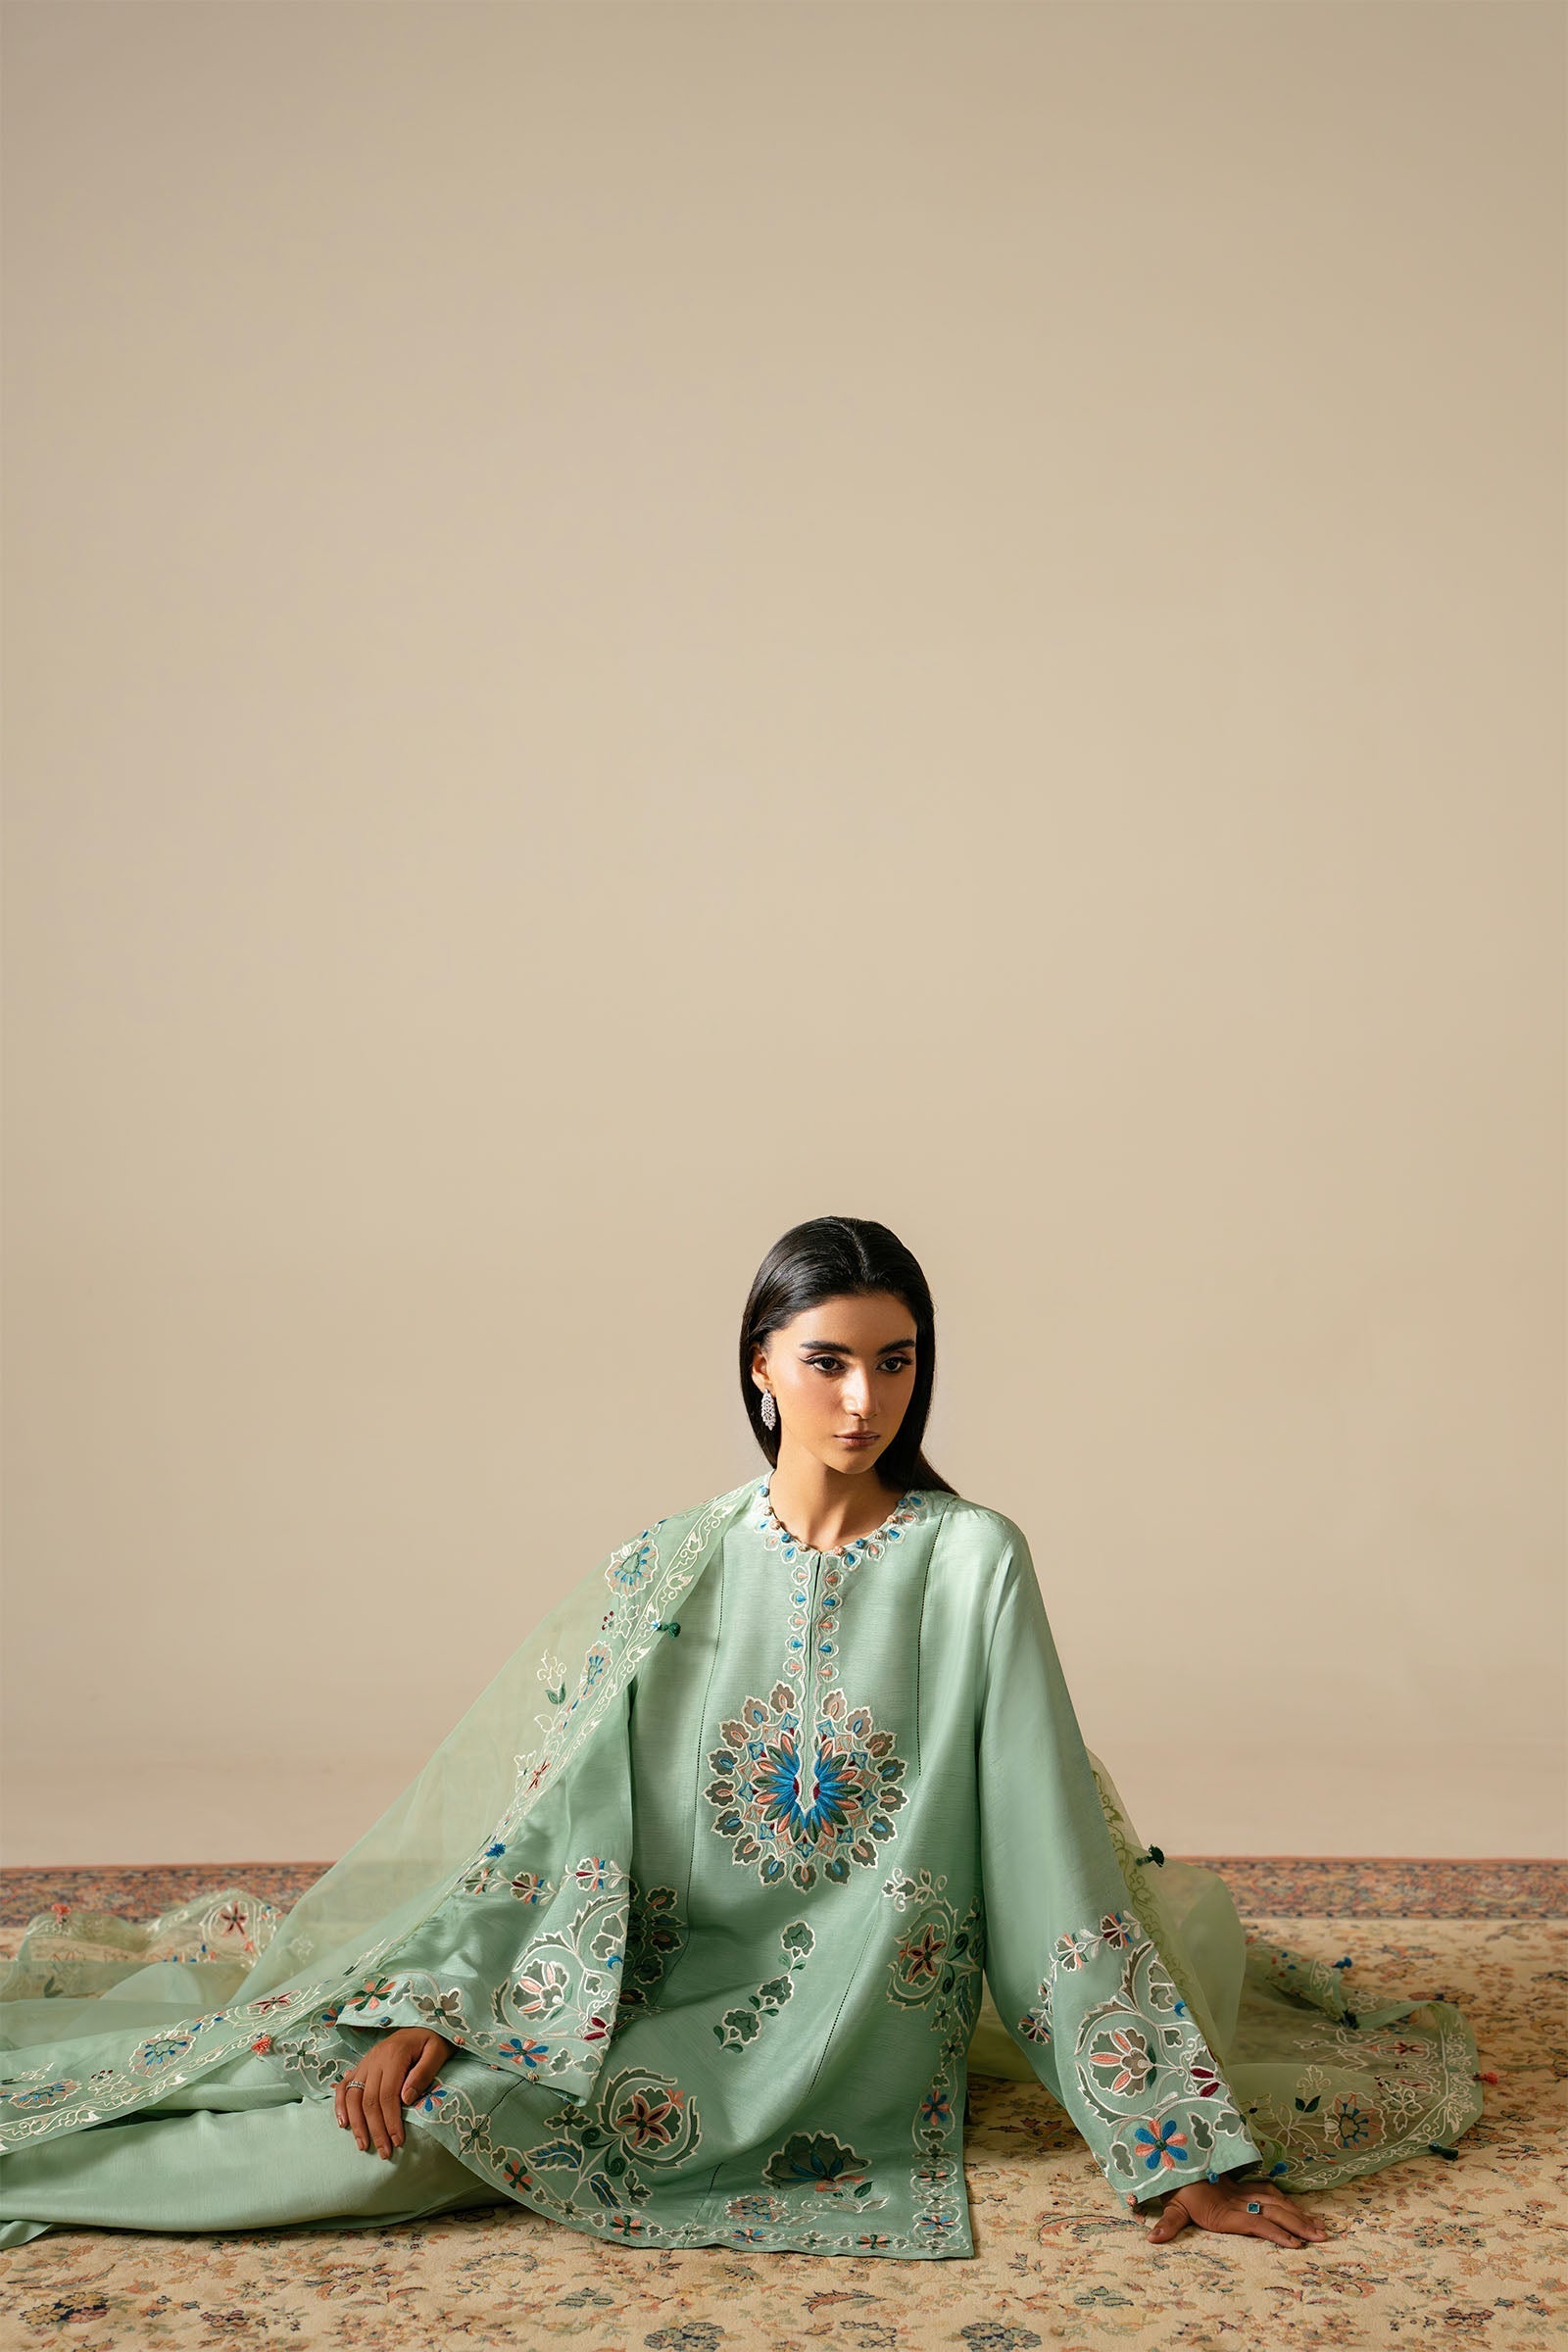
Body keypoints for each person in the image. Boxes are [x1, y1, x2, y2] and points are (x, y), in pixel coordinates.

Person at [1, 1217, 1479, 2258]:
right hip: (630, 1977)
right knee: (376, 2098)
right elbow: (569, 1814)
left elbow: (1046, 1857)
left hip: (844, 2031)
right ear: (759, 1365)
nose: (865, 1399)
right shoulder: (678, 1563)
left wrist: (1172, 2149)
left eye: (896, 1362)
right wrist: (448, 2004)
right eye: (829, 1360)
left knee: (432, 2152)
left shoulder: (973, 1562)